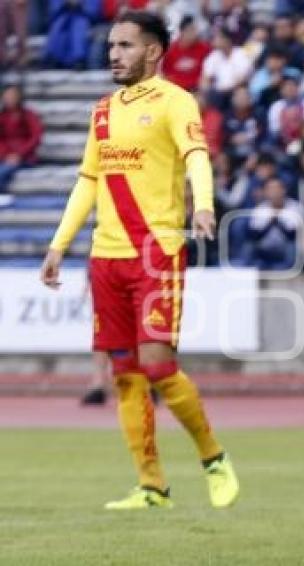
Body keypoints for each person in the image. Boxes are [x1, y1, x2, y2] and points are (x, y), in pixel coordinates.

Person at [40, 11, 239, 510]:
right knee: (124, 372)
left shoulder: (176, 101)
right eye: (112, 45)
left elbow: (196, 155)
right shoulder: (103, 110)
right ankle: (152, 485)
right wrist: (59, 244)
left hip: (155, 250)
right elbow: (89, 180)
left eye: (126, 45)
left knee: (157, 364)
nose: (114, 54)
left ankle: (213, 458)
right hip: (105, 256)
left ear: (153, 51)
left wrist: (205, 205)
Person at [0, 85, 43, 195]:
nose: (10, 98)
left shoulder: (29, 115)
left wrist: (19, 154)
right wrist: (5, 155)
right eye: (7, 96)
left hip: (25, 157)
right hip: (4, 156)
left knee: (3, 170)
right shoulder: (2, 116)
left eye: (13, 96)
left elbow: (36, 137)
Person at [162, 16, 211, 92]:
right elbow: (164, 72)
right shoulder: (171, 49)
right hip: (176, 90)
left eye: (195, 30)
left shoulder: (205, 49)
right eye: (191, 30)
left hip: (196, 89)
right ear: (182, 32)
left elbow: (208, 71)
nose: (195, 33)